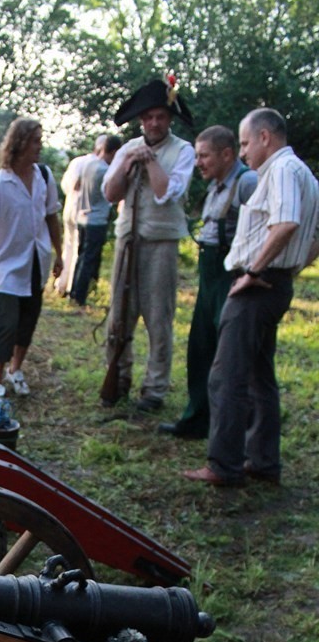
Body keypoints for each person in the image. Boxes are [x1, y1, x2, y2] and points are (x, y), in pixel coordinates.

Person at [184, 108, 319, 487]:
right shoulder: (303, 173)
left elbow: (287, 223)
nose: (242, 152)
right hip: (274, 282)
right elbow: (313, 233)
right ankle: (262, 461)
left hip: (257, 285)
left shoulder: (281, 171)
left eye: (244, 143)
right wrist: (289, 271)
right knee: (260, 376)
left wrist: (257, 271)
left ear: (264, 137)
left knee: (227, 375)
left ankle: (223, 465)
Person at [102, 77, 195, 412]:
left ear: (169, 119)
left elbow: (166, 192)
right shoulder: (127, 148)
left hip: (161, 243)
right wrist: (127, 163)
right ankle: (119, 378)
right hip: (127, 242)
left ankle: (154, 389)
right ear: (141, 120)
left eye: (160, 117)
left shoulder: (183, 151)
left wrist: (152, 162)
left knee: (159, 319)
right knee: (119, 317)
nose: (154, 123)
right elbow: (111, 193)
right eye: (149, 117)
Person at [159, 126, 257, 440]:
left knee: (230, 356)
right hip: (209, 273)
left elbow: (265, 229)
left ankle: (240, 429)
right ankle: (198, 419)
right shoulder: (216, 185)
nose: (198, 162)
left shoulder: (247, 182)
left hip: (232, 273)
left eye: (204, 156)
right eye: (198, 156)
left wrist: (252, 272)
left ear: (227, 154)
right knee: (201, 348)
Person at [0, 117, 63, 402]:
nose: (40, 146)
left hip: (36, 262)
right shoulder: (0, 184)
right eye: (36, 140)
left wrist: (60, 254)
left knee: (28, 322)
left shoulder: (44, 176)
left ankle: (16, 370)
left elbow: (52, 216)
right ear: (20, 143)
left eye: (41, 139)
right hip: (6, 268)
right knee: (7, 325)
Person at [70, 135, 121, 306]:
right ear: (113, 152)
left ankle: (74, 291)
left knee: (81, 257)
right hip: (96, 219)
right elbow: (112, 196)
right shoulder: (105, 171)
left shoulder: (87, 164)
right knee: (89, 259)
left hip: (82, 216)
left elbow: (76, 185)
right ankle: (80, 297)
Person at [55, 143, 101, 296]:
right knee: (77, 249)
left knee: (67, 245)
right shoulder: (95, 165)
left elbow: (65, 185)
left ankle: (60, 283)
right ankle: (70, 287)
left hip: (68, 207)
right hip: (81, 211)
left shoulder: (77, 161)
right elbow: (76, 185)